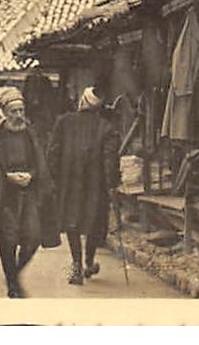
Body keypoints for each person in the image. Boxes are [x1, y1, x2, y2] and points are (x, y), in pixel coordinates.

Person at [0, 87, 61, 298]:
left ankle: (14, 275)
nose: (19, 116)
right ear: (5, 113)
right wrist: (3, 179)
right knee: (6, 241)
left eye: (21, 110)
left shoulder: (31, 136)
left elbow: (41, 164)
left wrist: (33, 175)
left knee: (33, 237)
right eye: (14, 111)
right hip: (2, 197)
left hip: (29, 195)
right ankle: (13, 285)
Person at [47, 87, 121, 285]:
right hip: (95, 185)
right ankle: (88, 262)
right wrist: (112, 183)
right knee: (93, 224)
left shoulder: (63, 122)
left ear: (82, 101)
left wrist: (54, 178)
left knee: (72, 223)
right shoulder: (106, 127)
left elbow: (52, 153)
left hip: (69, 183)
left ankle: (77, 264)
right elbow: (110, 159)